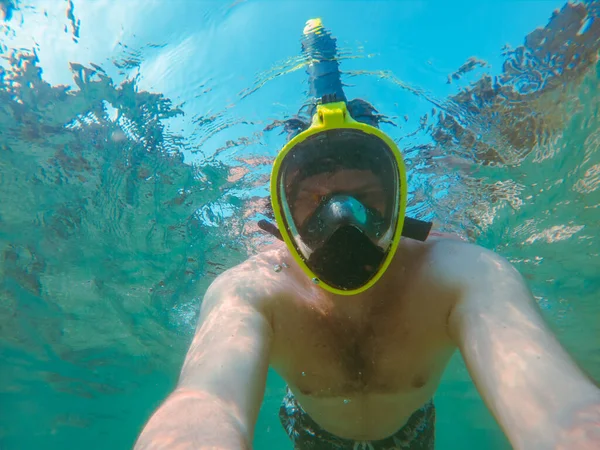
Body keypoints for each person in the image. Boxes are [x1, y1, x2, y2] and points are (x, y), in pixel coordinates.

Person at [135, 19, 600, 450]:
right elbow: (204, 403)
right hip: (312, 432)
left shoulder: (460, 273)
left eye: (365, 200)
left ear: (398, 208)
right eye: (316, 205)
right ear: (282, 220)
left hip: (412, 433)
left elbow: (561, 409)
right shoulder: (255, 290)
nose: (343, 221)